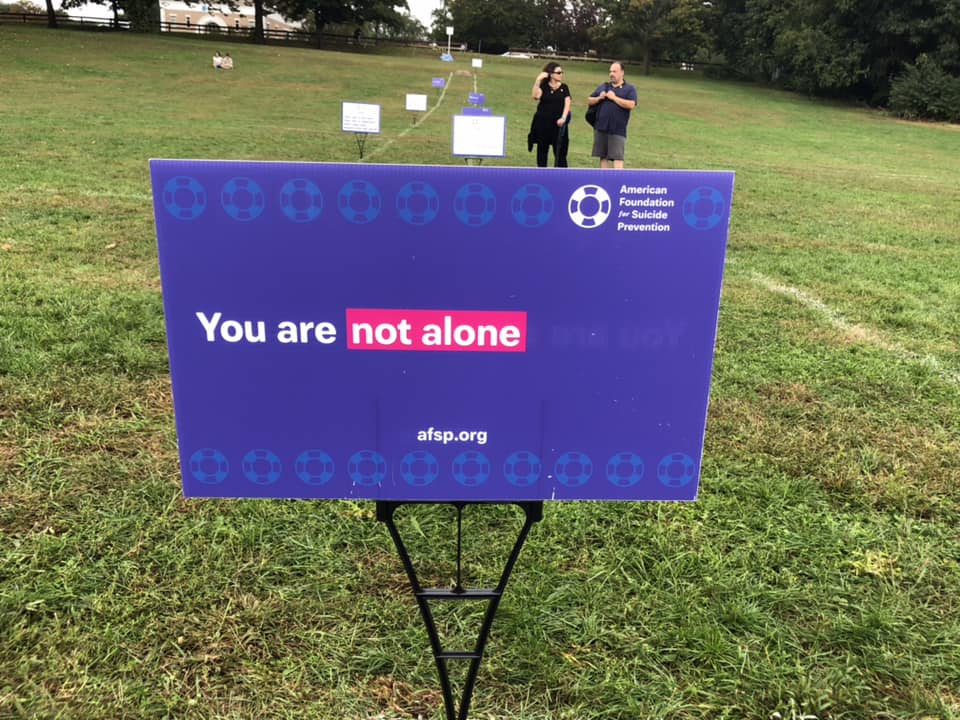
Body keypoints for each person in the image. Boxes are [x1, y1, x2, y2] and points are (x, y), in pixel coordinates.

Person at [586, 61, 637, 169]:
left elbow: (631, 104)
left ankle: (617, 182)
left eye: (614, 71)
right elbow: (589, 100)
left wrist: (614, 98)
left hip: (617, 129)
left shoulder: (629, 89)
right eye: (610, 71)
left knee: (618, 157)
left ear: (622, 72)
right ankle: (604, 181)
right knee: (603, 156)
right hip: (601, 127)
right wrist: (599, 98)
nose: (611, 74)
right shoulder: (604, 86)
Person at [528, 62, 571, 168]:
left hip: (558, 125)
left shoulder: (564, 87)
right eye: (558, 72)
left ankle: (561, 175)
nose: (561, 74)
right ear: (551, 74)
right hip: (543, 124)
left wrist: (563, 117)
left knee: (560, 153)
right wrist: (538, 80)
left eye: (562, 72)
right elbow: (535, 96)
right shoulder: (544, 86)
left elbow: (567, 103)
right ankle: (542, 174)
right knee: (542, 151)